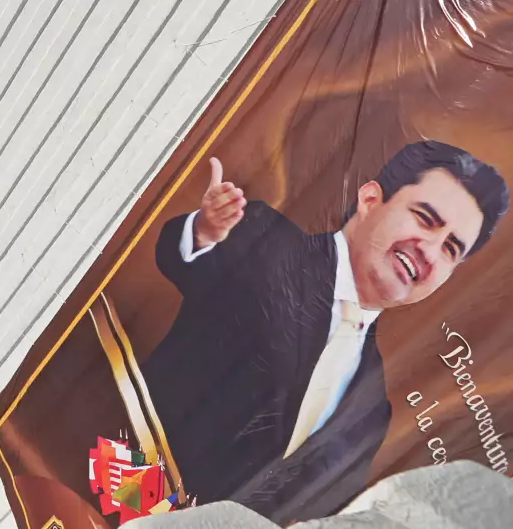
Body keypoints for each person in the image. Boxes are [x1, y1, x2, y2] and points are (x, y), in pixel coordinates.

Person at [143, 143, 509, 523]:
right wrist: (205, 230)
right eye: (425, 219)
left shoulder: (372, 409)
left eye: (451, 248)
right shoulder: (266, 240)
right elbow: (186, 259)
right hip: (121, 478)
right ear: (370, 199)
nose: (430, 252)